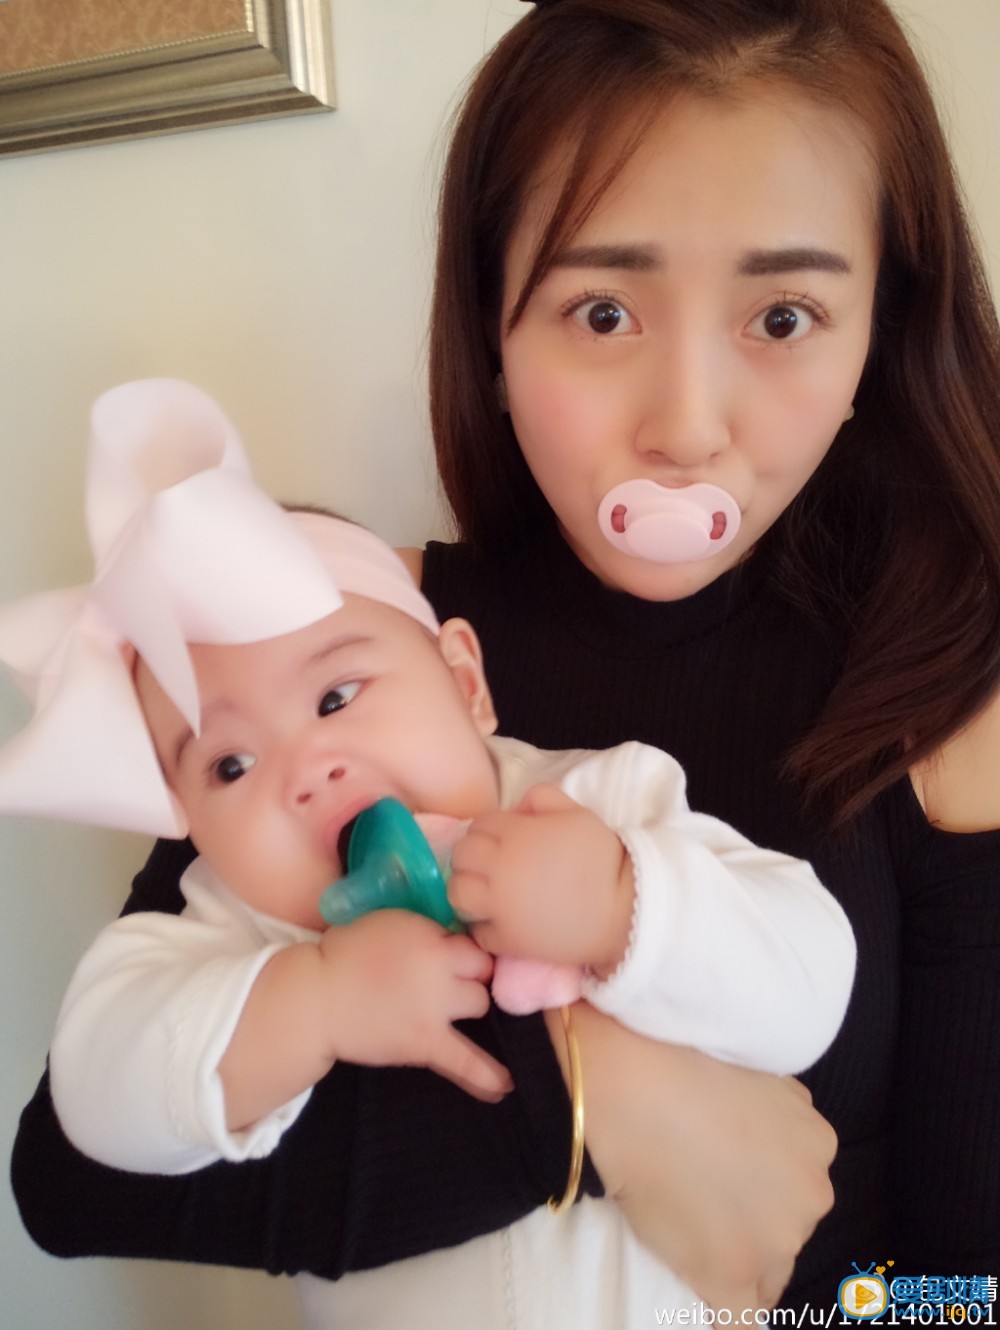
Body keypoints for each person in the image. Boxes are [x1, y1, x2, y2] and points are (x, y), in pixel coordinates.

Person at [16, 0, 995, 1314]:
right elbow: (78, 1177)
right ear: (491, 322)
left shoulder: (950, 695)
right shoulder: (337, 643)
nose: (686, 428)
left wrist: (834, 1307)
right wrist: (597, 1100)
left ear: (881, 325)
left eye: (782, 318)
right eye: (603, 309)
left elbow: (965, 1293)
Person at [0, 380, 854, 1330]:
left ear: (464, 680)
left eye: (337, 698)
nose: (307, 773)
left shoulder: (600, 801)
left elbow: (812, 982)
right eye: (230, 765)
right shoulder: (229, 924)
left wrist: (624, 903)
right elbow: (95, 1103)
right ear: (186, 822)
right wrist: (312, 1000)